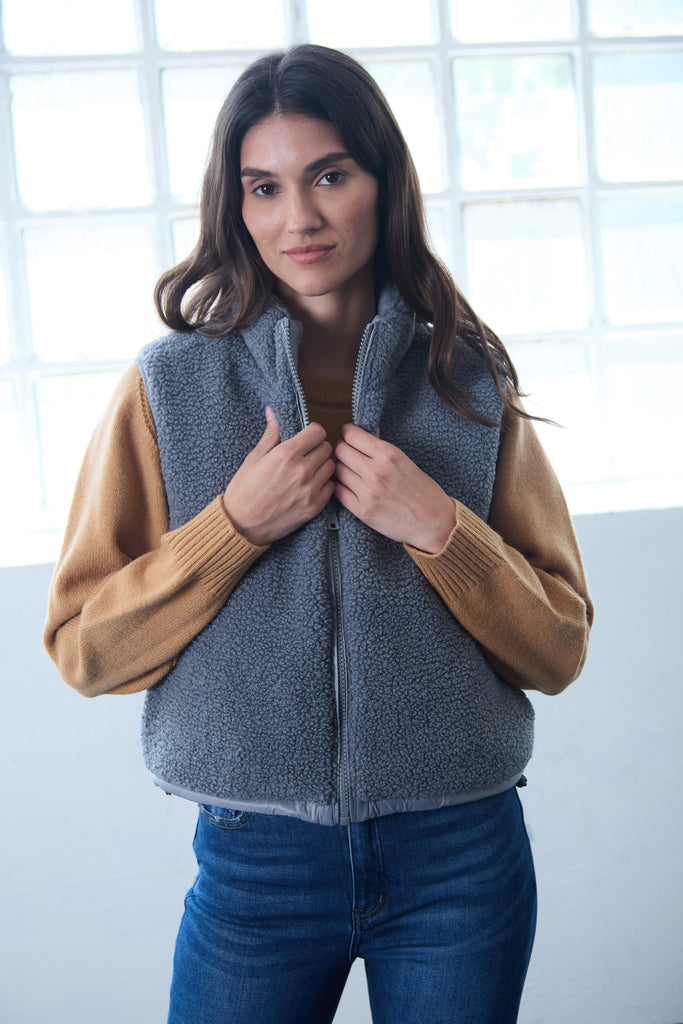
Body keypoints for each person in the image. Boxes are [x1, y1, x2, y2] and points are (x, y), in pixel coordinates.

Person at [44, 43, 593, 1024]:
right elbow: (86, 652)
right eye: (264, 187)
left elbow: (556, 650)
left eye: (329, 176)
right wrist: (232, 528)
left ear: (383, 184)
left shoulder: (466, 384)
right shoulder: (167, 389)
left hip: (460, 857)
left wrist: (441, 529)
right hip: (256, 865)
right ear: (236, 206)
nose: (297, 216)